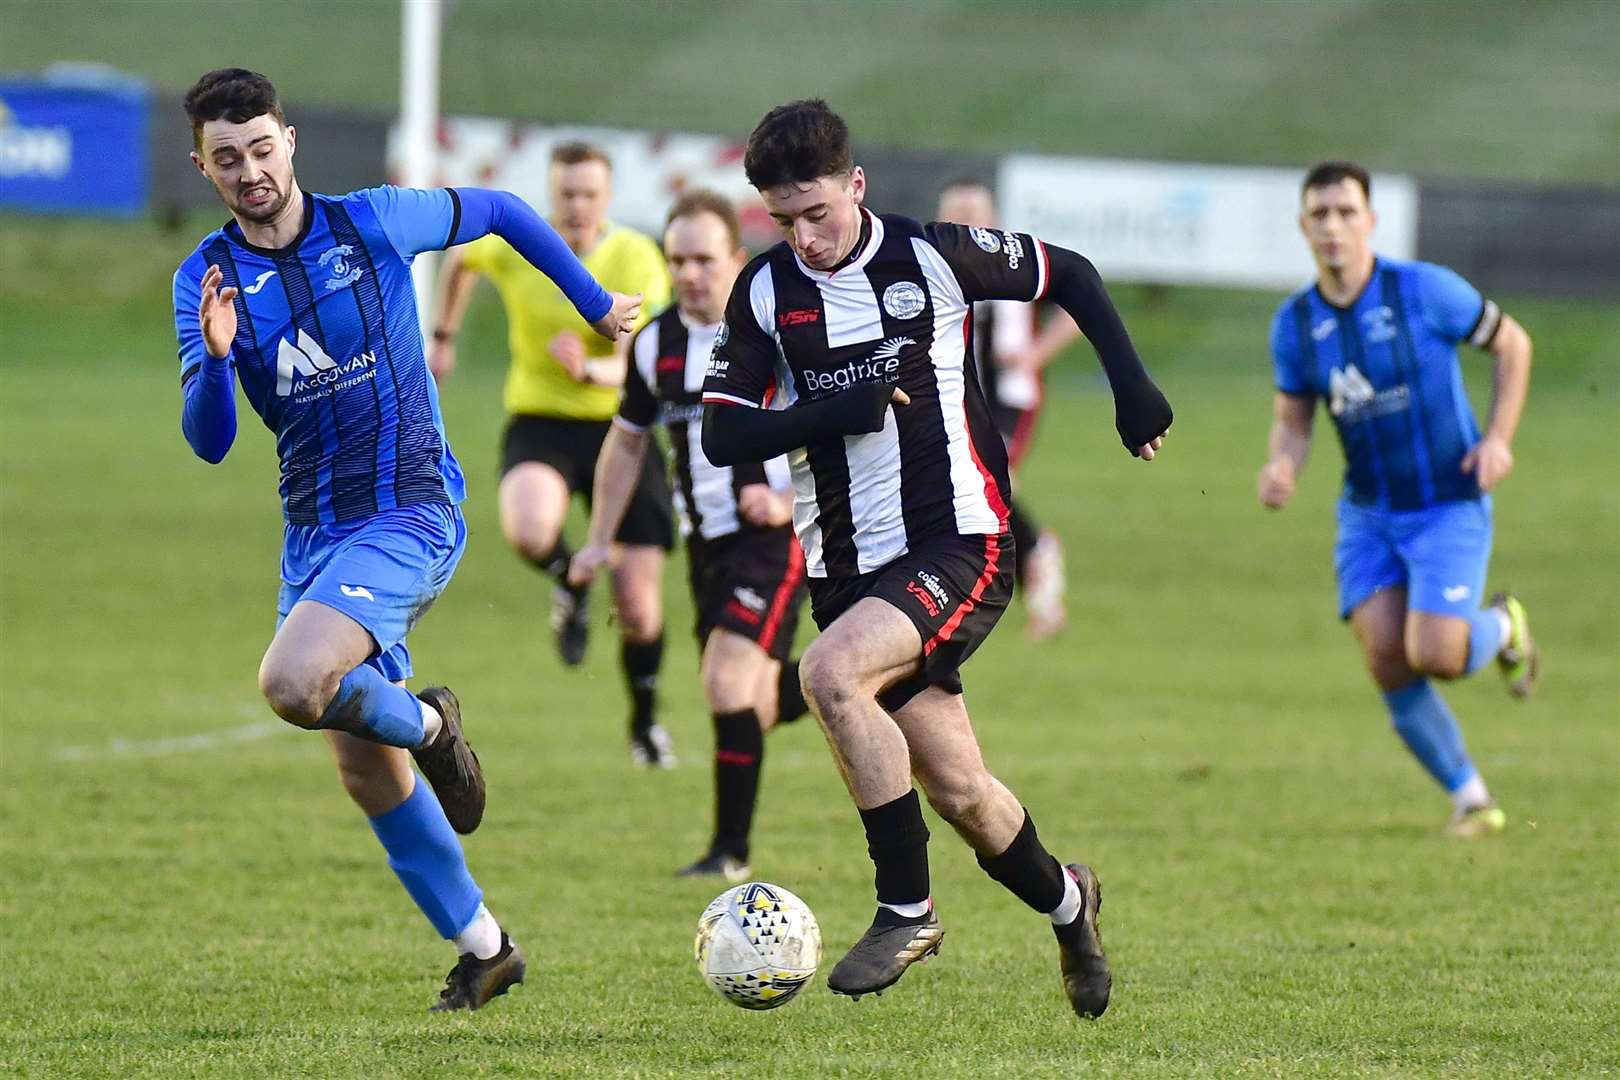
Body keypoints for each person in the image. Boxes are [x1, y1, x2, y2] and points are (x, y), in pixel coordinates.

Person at [173, 69, 640, 1010]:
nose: (250, 170)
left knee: (293, 683)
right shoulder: (207, 280)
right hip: (314, 534)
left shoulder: (375, 221)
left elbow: (504, 209)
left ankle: (432, 722)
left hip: (410, 510)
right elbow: (211, 441)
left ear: (290, 141)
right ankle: (487, 946)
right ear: (203, 166)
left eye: (262, 148)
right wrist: (218, 361)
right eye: (227, 158)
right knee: (358, 759)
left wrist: (593, 304)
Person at [700, 99, 1173, 1018]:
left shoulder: (931, 256)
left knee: (830, 676)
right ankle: (1072, 904)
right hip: (846, 571)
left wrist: (1132, 388)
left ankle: (904, 908)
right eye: (784, 220)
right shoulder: (763, 292)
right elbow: (723, 432)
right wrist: (833, 412)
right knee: (963, 794)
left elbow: (1066, 273)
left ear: (856, 185)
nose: (805, 237)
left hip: (960, 541)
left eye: (819, 214)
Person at [1258, 161, 1539, 839]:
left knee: (1439, 652)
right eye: (1319, 214)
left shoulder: (1424, 291)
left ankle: (1502, 626)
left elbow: (1514, 343)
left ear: (1371, 222)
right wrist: (1282, 465)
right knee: (1386, 654)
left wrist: (1498, 439)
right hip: (1369, 514)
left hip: (1448, 499)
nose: (1333, 226)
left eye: (1346, 212)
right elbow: (1294, 419)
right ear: (1303, 227)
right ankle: (1472, 798)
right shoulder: (1296, 323)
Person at [571, 191, 811, 881]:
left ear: (737, 258)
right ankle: (864, 682)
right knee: (752, 700)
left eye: (704, 258)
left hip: (776, 536)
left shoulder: (777, 333)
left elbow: (849, 422)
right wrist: (597, 539)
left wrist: (790, 496)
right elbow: (625, 445)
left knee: (726, 681)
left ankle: (727, 854)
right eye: (677, 259)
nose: (689, 273)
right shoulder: (654, 344)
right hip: (706, 547)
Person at [430, 142, 677, 768]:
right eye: (566, 193)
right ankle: (570, 577)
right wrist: (444, 335)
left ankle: (645, 725)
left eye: (589, 193)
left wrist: (590, 369)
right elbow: (461, 259)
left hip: (624, 428)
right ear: (551, 193)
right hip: (540, 420)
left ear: (609, 197)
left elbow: (640, 363)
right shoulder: (525, 245)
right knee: (528, 528)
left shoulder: (636, 257)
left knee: (640, 610)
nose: (576, 206)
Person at [936, 180, 1081, 640]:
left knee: (992, 483)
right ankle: (1031, 570)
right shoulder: (929, 267)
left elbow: (1078, 308)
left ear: (993, 218)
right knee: (973, 490)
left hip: (1010, 400)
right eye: (956, 213)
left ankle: (1034, 555)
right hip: (957, 398)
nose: (966, 222)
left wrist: (1035, 355)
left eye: (974, 212)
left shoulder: (1015, 261)